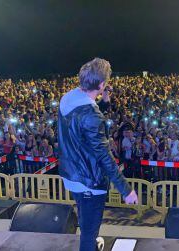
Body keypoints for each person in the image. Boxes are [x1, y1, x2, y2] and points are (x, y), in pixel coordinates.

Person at [58, 58, 138, 251]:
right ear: (101, 85)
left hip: (72, 173)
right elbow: (103, 156)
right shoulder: (91, 115)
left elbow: (81, 125)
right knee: (89, 231)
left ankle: (92, 245)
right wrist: (126, 190)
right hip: (89, 180)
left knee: (85, 219)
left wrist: (103, 104)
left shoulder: (67, 98)